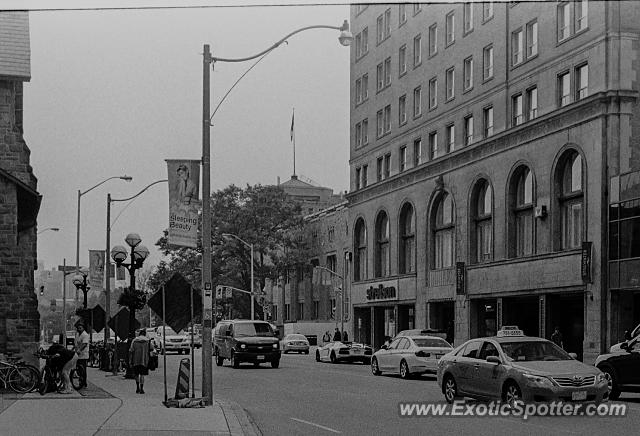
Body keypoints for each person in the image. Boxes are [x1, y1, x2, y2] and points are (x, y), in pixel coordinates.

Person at [129, 329, 151, 394]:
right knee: (142, 375)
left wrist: (130, 361)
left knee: (136, 374)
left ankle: (137, 387)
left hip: (135, 360)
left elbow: (131, 350)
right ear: (144, 334)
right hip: (144, 360)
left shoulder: (134, 341)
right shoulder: (147, 341)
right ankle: (142, 388)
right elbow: (151, 349)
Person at [74, 323, 90, 388]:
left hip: (83, 354)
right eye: (78, 328)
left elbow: (84, 344)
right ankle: (80, 380)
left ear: (83, 328)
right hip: (77, 355)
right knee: (78, 369)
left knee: (83, 369)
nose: (79, 329)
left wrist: (79, 350)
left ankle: (84, 382)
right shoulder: (77, 334)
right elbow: (76, 343)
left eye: (80, 328)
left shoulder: (85, 335)